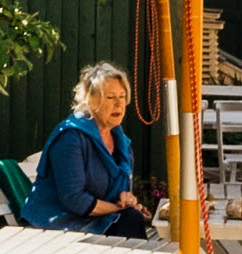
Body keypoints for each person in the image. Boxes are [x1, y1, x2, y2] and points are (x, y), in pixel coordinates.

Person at [21, 64, 152, 233]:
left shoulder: (121, 142)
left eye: (122, 96)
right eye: (110, 97)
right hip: (54, 226)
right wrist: (119, 209)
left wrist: (125, 200)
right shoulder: (71, 137)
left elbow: (118, 194)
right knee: (130, 220)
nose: (119, 104)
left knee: (131, 219)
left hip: (96, 222)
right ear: (89, 100)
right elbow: (73, 199)